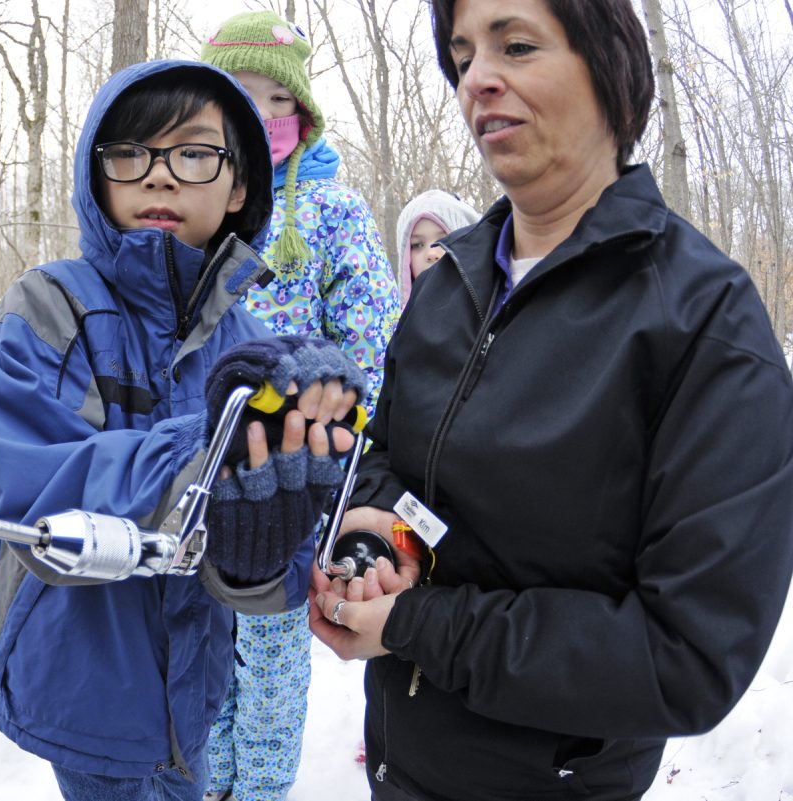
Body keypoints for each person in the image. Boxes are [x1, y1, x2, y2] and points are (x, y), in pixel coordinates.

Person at [307, 1, 793, 800]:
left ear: (608, 67)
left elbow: (689, 655)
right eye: (462, 57)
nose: (478, 81)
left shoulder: (703, 320)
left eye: (518, 45)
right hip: (403, 765)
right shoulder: (449, 283)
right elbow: (388, 456)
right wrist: (374, 531)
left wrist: (414, 626)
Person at [0, 59, 366, 801]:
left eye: (191, 153)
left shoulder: (247, 340)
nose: (158, 176)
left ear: (240, 183)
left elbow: (270, 570)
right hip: (85, 690)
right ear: (98, 176)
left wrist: (262, 549)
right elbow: (39, 494)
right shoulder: (48, 310)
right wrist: (212, 454)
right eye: (130, 154)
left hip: (195, 690)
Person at [199, 11, 400, 801]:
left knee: (273, 648)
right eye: (237, 97)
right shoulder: (198, 202)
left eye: (272, 99)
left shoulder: (330, 208)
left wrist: (325, 426)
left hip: (291, 476)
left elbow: (371, 330)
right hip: (201, 471)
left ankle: (259, 790)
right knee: (204, 639)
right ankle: (207, 780)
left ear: (300, 113)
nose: (257, 115)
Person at [394, 189, 479, 302]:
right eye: (418, 245)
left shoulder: (495, 313)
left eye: (444, 241)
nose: (431, 253)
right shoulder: (397, 318)